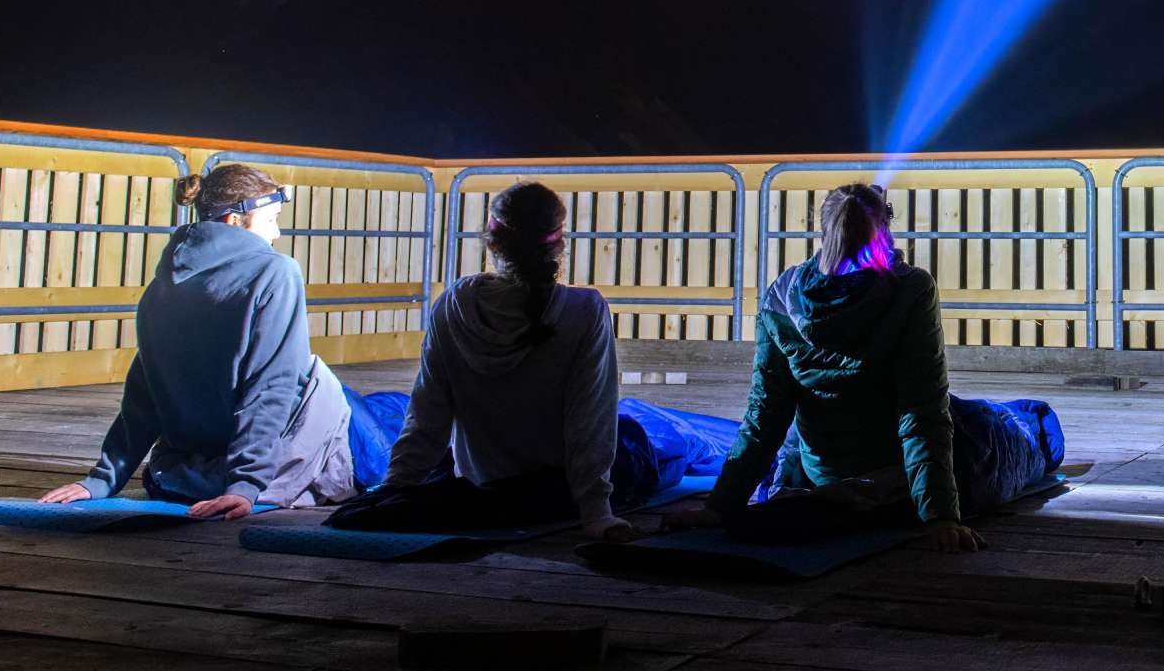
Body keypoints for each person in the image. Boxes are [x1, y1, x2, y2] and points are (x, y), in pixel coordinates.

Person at [41, 165, 357, 518]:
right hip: (275, 452)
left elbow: (144, 392)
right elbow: (273, 384)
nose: (277, 233)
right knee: (339, 392)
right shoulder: (276, 272)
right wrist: (246, 484)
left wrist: (103, 479)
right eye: (271, 220)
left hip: (190, 464)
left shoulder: (161, 288)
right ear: (236, 221)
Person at [337, 181, 641, 541]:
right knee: (636, 438)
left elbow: (427, 414)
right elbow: (590, 420)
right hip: (555, 494)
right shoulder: (584, 311)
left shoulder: (452, 305)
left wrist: (395, 487)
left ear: (492, 241)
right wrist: (596, 513)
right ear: (558, 243)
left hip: (482, 486)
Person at [696, 182, 990, 553]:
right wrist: (941, 515)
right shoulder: (910, 288)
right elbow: (922, 409)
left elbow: (766, 411)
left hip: (821, 475)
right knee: (1014, 428)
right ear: (885, 231)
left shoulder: (781, 294)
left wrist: (721, 504)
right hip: (898, 477)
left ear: (823, 231)